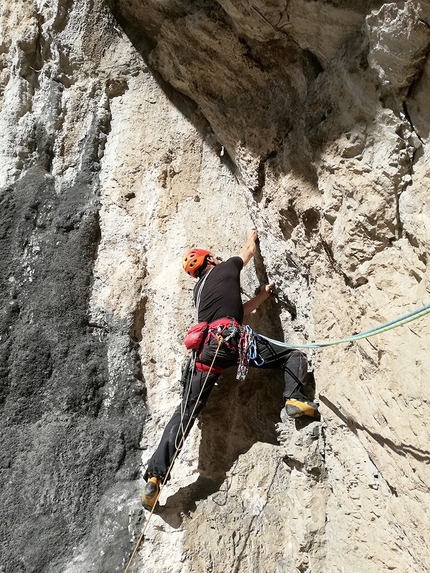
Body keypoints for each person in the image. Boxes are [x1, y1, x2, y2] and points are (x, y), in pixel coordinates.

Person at [141, 229, 318, 510]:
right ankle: (295, 398)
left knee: (185, 413)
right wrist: (251, 233)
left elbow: (237, 309)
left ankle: (155, 476)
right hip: (232, 344)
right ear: (210, 258)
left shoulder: (199, 292)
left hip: (203, 353)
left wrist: (261, 296)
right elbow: (248, 249)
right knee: (292, 356)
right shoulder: (226, 266)